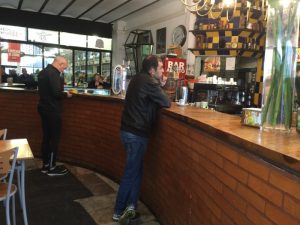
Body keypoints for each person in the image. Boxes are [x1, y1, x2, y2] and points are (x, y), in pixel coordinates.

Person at [113, 55, 171, 225]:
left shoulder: (138, 79)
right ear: (152, 70)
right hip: (136, 134)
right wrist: (161, 84)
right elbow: (166, 101)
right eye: (160, 68)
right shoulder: (150, 82)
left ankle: (130, 207)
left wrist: (159, 84)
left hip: (129, 131)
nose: (162, 71)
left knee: (136, 172)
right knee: (131, 173)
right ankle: (118, 211)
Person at [37, 56, 72, 176]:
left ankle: (45, 165)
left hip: (43, 108)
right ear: (60, 64)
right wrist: (66, 94)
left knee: (46, 137)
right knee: (54, 138)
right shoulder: (54, 73)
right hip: (53, 110)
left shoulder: (43, 72)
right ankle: (52, 167)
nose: (63, 70)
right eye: (64, 68)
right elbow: (57, 93)